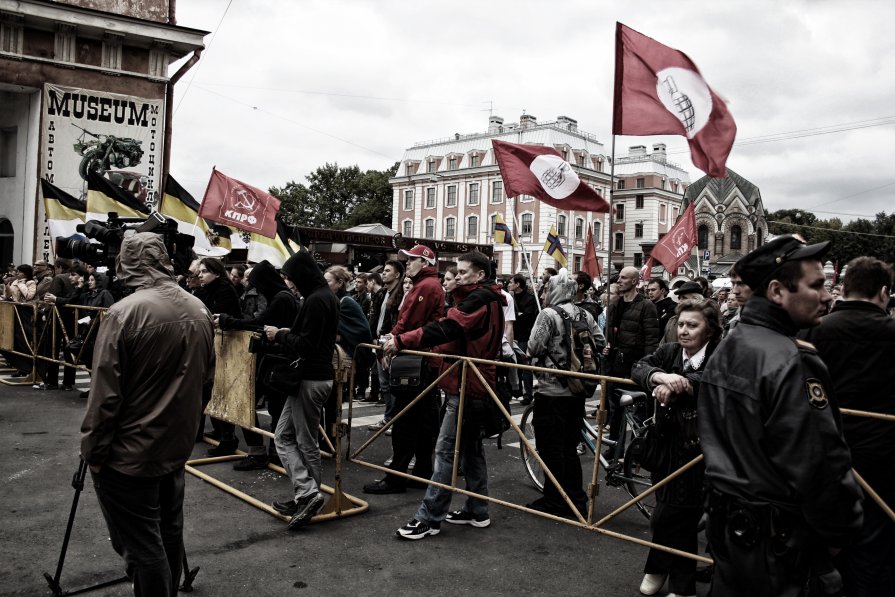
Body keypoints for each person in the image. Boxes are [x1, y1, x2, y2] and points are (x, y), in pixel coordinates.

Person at [698, 235, 864, 597]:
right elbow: (818, 464)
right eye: (817, 285)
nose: (827, 295)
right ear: (776, 292)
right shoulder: (791, 360)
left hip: (731, 532)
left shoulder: (732, 343)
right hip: (779, 546)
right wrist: (841, 531)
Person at [80, 232, 215, 597]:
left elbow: (105, 397)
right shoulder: (198, 308)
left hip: (129, 455)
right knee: (167, 532)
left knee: (142, 545)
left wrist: (93, 450)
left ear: (128, 262)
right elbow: (206, 382)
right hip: (173, 447)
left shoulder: (124, 312)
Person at [387, 251, 505, 539]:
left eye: (464, 272)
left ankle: (430, 517)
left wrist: (403, 340)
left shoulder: (478, 299)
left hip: (468, 385)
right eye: (458, 271)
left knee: (445, 452)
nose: (458, 276)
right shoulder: (480, 297)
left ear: (480, 275)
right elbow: (455, 338)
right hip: (470, 382)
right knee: (470, 451)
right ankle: (478, 510)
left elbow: (448, 328)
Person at [801, 256, 895, 597]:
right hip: (880, 460)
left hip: (824, 454)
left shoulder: (813, 331)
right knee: (873, 549)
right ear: (884, 292)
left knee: (822, 545)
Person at [631, 300, 722, 597]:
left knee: (673, 515)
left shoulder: (719, 354)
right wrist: (662, 377)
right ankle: (662, 573)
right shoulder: (670, 352)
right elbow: (639, 366)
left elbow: (709, 381)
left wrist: (680, 383)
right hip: (665, 447)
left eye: (692, 325)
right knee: (671, 512)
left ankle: (677, 583)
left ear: (709, 329)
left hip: (699, 450)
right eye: (681, 324)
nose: (684, 331)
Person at [265, 251, 339, 530]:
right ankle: (306, 493)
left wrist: (280, 334)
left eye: (293, 278)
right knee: (284, 436)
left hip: (311, 378)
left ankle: (309, 496)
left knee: (303, 441)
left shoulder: (317, 300)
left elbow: (306, 344)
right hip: (310, 378)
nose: (291, 284)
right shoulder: (322, 296)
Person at [364, 245, 443, 494]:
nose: (406, 263)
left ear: (425, 263)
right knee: (421, 421)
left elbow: (409, 322)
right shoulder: (425, 285)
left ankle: (397, 477)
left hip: (417, 361)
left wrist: (392, 342)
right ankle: (421, 473)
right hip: (423, 360)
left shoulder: (425, 287)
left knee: (405, 420)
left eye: (411, 260)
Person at [526, 268, 604, 518]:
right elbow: (600, 342)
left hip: (552, 390)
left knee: (550, 447)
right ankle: (576, 498)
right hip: (577, 389)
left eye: (548, 287)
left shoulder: (548, 314)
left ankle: (555, 500)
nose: (546, 291)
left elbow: (534, 347)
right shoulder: (584, 313)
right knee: (569, 445)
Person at [215, 260, 300, 470]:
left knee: (255, 404)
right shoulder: (281, 296)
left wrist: (229, 321)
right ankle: (272, 451)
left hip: (275, 360)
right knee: (273, 408)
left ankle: (262, 452)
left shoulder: (281, 298)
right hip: (274, 359)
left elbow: (259, 323)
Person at [604, 267, 659, 451]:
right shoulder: (616, 305)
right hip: (615, 365)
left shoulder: (646, 306)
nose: (619, 281)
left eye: (623, 278)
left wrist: (645, 366)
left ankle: (640, 451)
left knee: (637, 414)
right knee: (615, 411)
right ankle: (615, 448)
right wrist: (607, 348)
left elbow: (652, 339)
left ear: (635, 281)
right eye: (619, 277)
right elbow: (611, 333)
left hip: (634, 366)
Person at [195, 258, 243, 456]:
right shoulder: (207, 290)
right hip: (213, 346)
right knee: (209, 390)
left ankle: (228, 438)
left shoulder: (224, 289)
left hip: (226, 347)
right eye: (199, 271)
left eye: (204, 271)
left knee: (219, 391)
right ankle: (220, 432)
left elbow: (214, 317)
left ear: (216, 272)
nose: (200, 275)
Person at [322, 265, 372, 448]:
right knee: (327, 401)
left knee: (334, 402)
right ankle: (326, 439)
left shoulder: (346, 302)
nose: (324, 284)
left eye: (328, 281)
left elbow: (361, 330)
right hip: (333, 357)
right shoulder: (335, 300)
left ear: (340, 283)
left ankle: (332, 441)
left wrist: (340, 336)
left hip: (344, 359)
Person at [366, 261, 404, 414]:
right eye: (384, 270)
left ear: (397, 275)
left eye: (388, 270)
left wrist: (386, 345)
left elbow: (392, 322)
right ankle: (388, 417)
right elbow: (375, 318)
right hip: (379, 341)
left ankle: (392, 418)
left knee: (391, 383)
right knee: (384, 383)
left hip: (388, 342)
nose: (384, 273)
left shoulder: (399, 294)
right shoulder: (382, 293)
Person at [508, 273, 537, 405]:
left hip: (525, 336)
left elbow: (527, 317)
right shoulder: (510, 298)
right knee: (514, 363)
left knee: (526, 366)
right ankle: (517, 390)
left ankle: (528, 394)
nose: (509, 284)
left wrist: (515, 317)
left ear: (518, 284)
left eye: (511, 282)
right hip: (512, 334)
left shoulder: (530, 299)